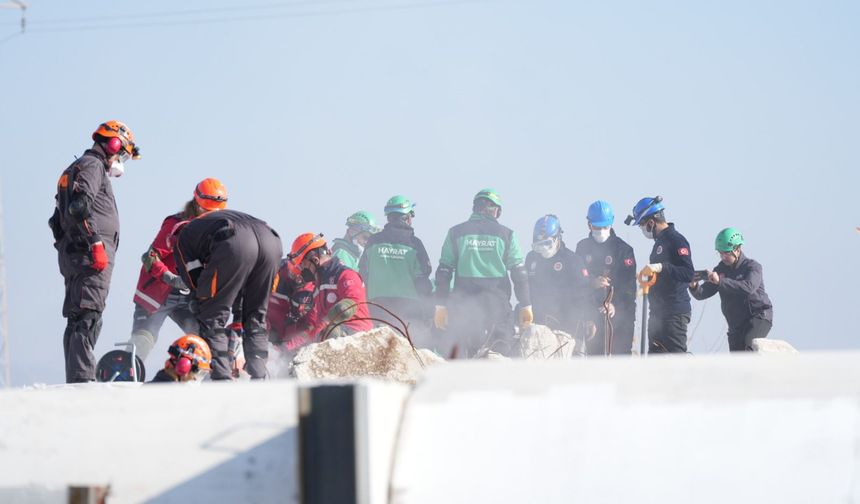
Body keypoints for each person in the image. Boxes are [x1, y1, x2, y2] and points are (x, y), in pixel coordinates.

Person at [49, 120, 141, 383]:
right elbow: (79, 207)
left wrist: (68, 247)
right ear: (113, 144)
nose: (120, 159)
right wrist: (95, 243)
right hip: (90, 255)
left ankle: (77, 376)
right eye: (122, 152)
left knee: (78, 315)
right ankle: (82, 379)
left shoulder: (77, 168)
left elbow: (56, 221)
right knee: (88, 316)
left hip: (77, 253)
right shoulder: (92, 166)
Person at [173, 209, 283, 380]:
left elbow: (194, 279)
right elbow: (238, 281)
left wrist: (201, 300)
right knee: (256, 317)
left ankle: (221, 378)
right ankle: (260, 376)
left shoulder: (183, 237)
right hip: (272, 241)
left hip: (236, 243)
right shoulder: (212, 222)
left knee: (212, 316)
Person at [128, 178, 228, 361]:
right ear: (196, 203)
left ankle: (196, 375)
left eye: (213, 212)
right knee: (142, 342)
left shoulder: (216, 229)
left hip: (188, 297)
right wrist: (171, 278)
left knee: (204, 342)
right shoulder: (176, 223)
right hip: (158, 294)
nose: (209, 215)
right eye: (206, 210)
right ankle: (123, 373)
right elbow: (150, 257)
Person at [433, 189, 532, 357]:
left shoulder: (455, 232)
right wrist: (526, 304)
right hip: (497, 302)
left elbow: (444, 272)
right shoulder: (507, 234)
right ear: (496, 210)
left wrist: (440, 305)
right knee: (500, 351)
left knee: (463, 353)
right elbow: (519, 273)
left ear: (475, 208)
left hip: (464, 304)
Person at [359, 195, 433, 345]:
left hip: (377, 304)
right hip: (408, 305)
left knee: (380, 345)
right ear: (407, 217)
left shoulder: (373, 241)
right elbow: (422, 278)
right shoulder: (415, 244)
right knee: (406, 346)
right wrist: (428, 309)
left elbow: (363, 271)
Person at [627, 196, 694, 354]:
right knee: (655, 362)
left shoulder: (676, 240)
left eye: (642, 225)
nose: (642, 229)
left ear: (651, 222)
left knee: (676, 360)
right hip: (658, 313)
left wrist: (661, 267)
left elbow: (688, 273)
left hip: (674, 313)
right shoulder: (659, 243)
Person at [689, 228, 773, 351]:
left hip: (758, 317)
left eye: (726, 253)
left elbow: (748, 287)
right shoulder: (720, 269)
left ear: (737, 250)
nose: (723, 257)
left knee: (749, 347)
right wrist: (693, 285)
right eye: (720, 253)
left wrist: (720, 281)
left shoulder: (753, 267)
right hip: (735, 325)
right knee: (736, 359)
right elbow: (702, 293)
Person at [575, 201, 637, 355]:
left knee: (620, 359)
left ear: (611, 223)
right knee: (595, 361)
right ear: (589, 225)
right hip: (593, 317)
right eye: (597, 227)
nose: (601, 231)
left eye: (605, 227)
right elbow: (577, 283)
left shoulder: (624, 250)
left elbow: (629, 287)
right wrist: (592, 283)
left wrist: (615, 305)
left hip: (620, 318)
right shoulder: (582, 248)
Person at [526, 215, 593, 353]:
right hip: (539, 328)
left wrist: (589, 319)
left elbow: (585, 294)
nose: (544, 249)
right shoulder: (531, 258)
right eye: (539, 245)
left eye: (547, 243)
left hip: (568, 329)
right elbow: (526, 290)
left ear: (557, 238)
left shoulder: (573, 261)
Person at [288, 233, 373, 339]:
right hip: (335, 336)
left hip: (358, 335)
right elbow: (319, 326)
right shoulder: (319, 285)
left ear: (315, 260)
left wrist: (341, 308)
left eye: (303, 265)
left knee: (332, 332)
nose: (302, 271)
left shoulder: (345, 275)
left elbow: (352, 302)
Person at [267, 258, 315, 350]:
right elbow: (262, 309)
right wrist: (267, 331)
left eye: (300, 277)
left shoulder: (312, 291)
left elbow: (311, 326)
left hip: (296, 344)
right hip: (271, 337)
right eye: (293, 274)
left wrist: (288, 347)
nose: (297, 278)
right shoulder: (276, 276)